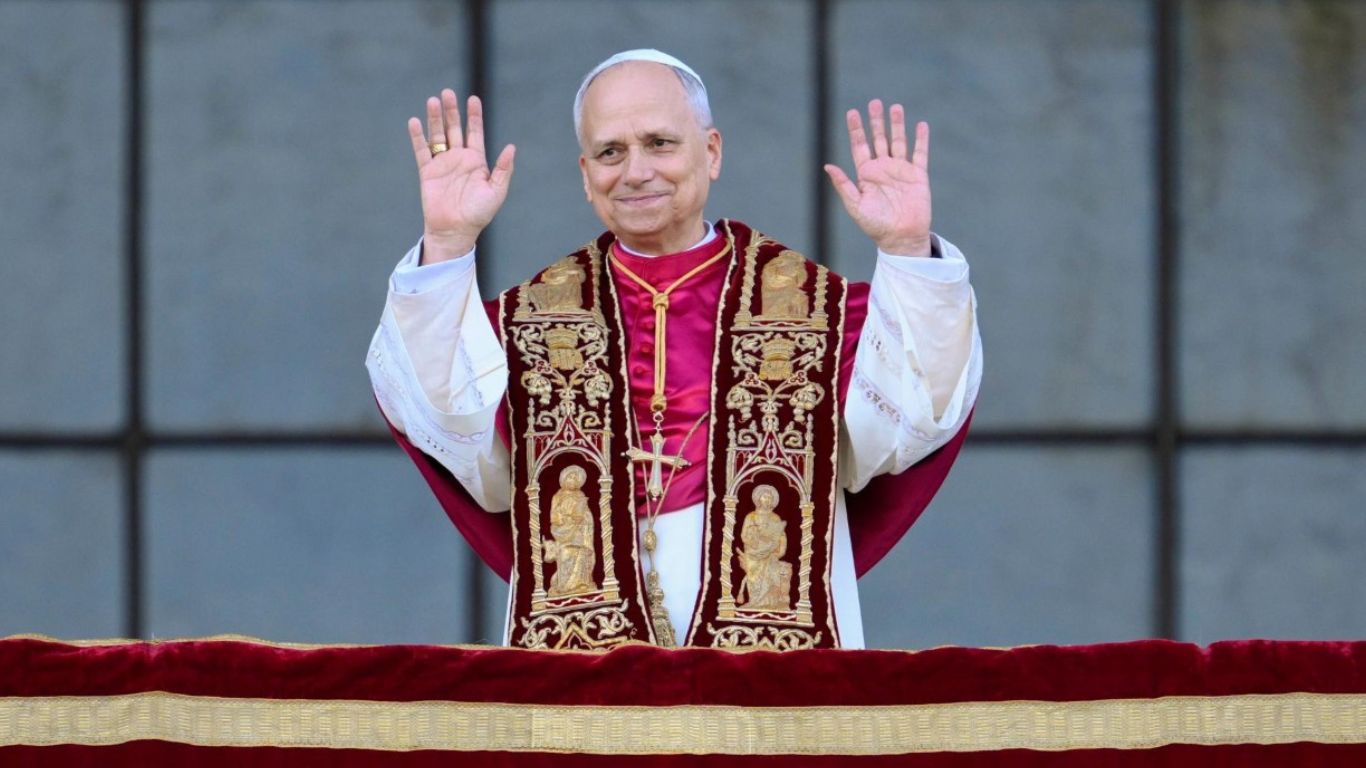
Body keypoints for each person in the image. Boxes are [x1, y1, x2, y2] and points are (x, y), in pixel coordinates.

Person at [367, 49, 981, 651]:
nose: (636, 171)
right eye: (610, 152)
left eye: (659, 143)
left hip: (773, 650)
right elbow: (454, 436)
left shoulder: (820, 312)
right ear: (585, 175)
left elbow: (905, 428)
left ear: (710, 152)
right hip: (582, 650)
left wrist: (907, 250)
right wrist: (446, 245)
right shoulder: (526, 322)